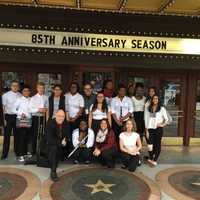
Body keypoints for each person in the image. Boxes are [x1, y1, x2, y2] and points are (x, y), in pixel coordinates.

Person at [144, 95, 169, 166]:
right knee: (149, 145)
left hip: (158, 130)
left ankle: (155, 160)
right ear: (152, 100)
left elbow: (167, 119)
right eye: (154, 98)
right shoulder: (149, 108)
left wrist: (162, 125)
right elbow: (146, 120)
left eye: (156, 98)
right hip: (150, 129)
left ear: (158, 100)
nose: (155, 99)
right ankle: (151, 157)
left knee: (157, 145)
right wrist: (146, 130)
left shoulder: (161, 109)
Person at [46, 110, 70, 182]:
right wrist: (60, 142)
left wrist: (65, 140)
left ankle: (61, 157)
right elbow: (49, 139)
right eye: (59, 116)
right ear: (55, 116)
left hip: (62, 145)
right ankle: (53, 171)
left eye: (63, 116)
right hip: (50, 145)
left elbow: (68, 135)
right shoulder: (50, 123)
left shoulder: (66, 123)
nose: (61, 118)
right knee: (54, 148)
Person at [1, 80, 22, 160]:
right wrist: (3, 120)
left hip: (17, 117)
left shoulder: (20, 95)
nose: (15, 87)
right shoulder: (5, 95)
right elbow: (2, 108)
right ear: (11, 86)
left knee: (17, 136)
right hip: (8, 117)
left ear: (18, 87)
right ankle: (4, 154)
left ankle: (17, 152)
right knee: (7, 136)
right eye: (13, 85)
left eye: (17, 85)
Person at [14, 85, 32, 162]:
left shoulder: (31, 99)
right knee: (21, 137)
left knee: (26, 137)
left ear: (29, 92)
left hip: (29, 119)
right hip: (21, 119)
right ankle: (20, 155)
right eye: (24, 91)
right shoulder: (19, 99)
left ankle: (24, 153)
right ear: (22, 92)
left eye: (27, 91)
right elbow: (13, 109)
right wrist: (21, 113)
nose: (26, 92)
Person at [29, 82, 48, 155]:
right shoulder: (33, 98)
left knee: (43, 134)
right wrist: (38, 109)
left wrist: (46, 109)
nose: (41, 89)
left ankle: (42, 151)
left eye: (43, 88)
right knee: (35, 134)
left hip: (44, 117)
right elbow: (30, 109)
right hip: (36, 117)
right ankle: (33, 151)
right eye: (40, 88)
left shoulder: (46, 97)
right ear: (37, 88)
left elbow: (48, 107)